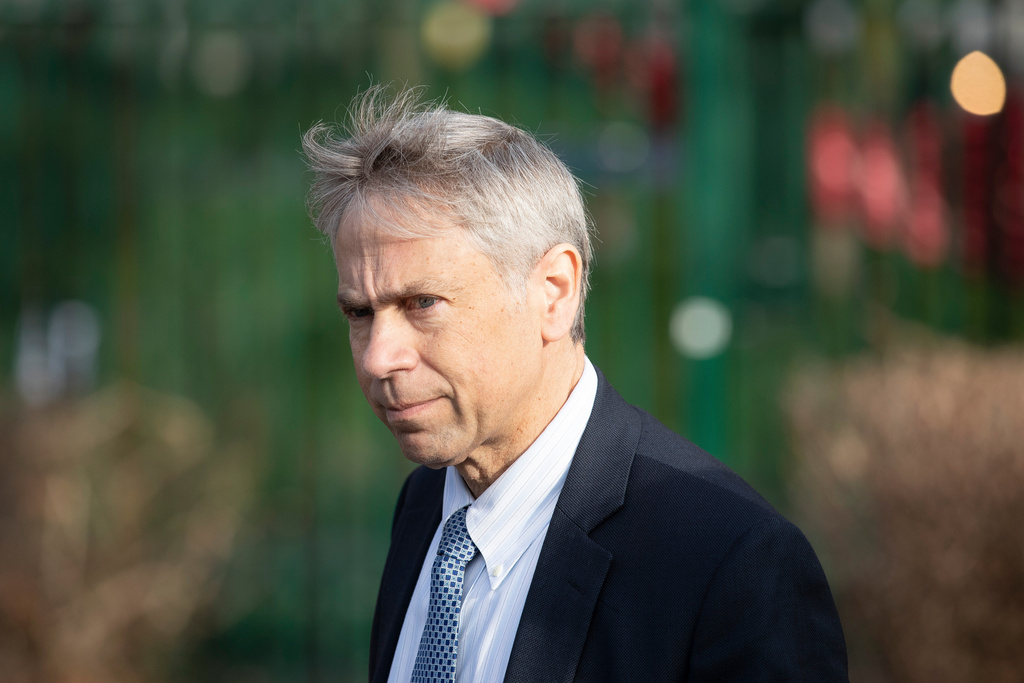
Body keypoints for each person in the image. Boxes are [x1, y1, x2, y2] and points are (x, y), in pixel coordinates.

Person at [302, 85, 848, 683]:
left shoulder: (730, 564)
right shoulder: (425, 505)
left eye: (423, 303)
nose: (380, 357)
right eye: (359, 313)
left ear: (554, 291)